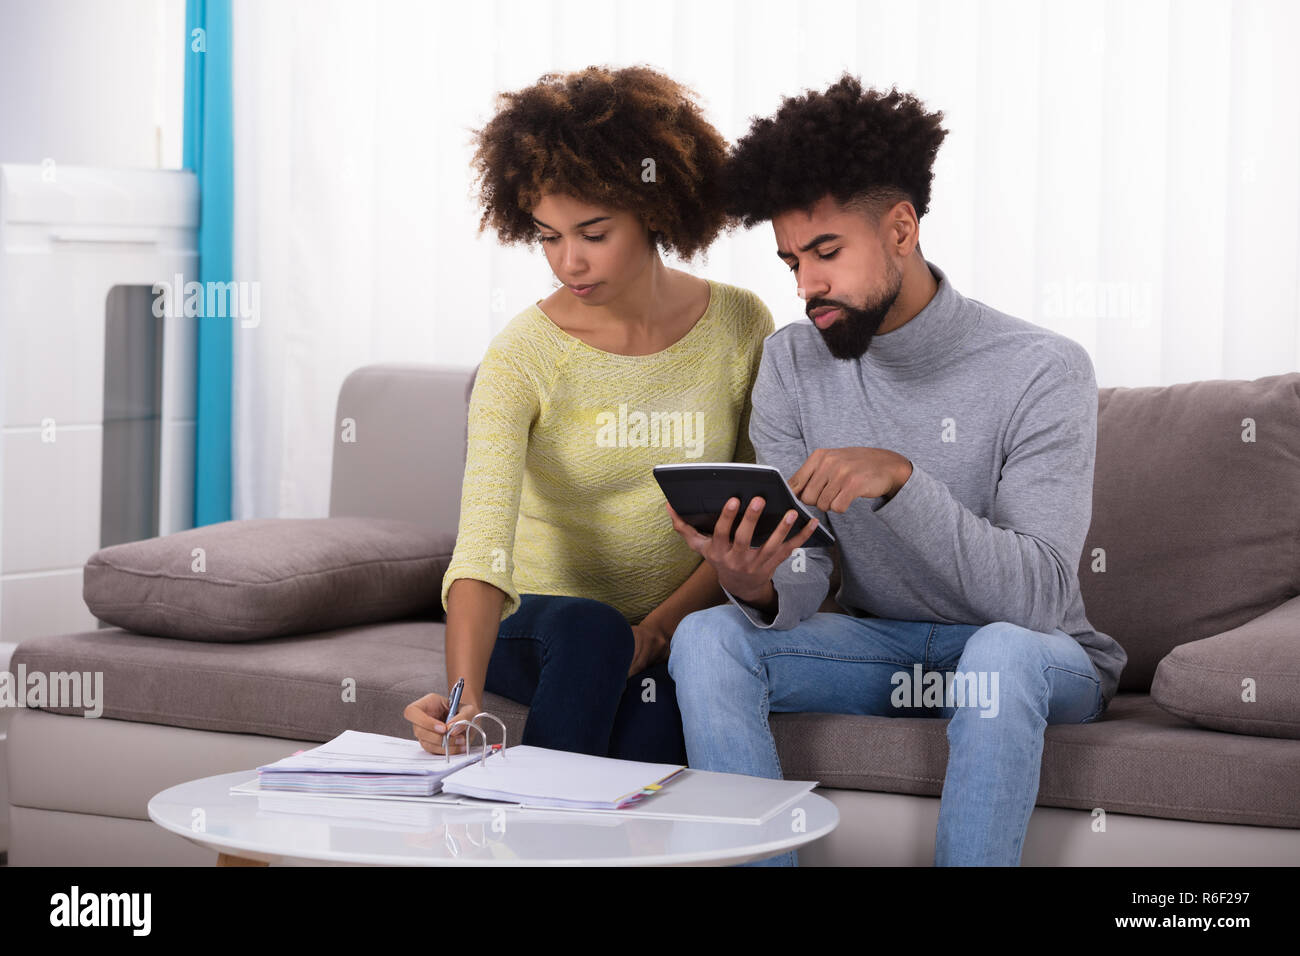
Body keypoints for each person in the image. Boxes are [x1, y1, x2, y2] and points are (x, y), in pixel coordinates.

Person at [665, 74, 1128, 865]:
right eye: (791, 261)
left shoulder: (1042, 368)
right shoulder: (791, 361)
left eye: (827, 252)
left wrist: (904, 484)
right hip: (884, 651)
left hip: (1035, 655)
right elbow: (809, 566)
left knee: (1001, 650)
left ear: (902, 228)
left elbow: (1038, 597)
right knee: (709, 637)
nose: (807, 285)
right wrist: (757, 580)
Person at [404, 65, 775, 765]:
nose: (568, 262)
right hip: (539, 624)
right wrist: (463, 702)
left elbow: (747, 519)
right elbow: (483, 550)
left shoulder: (740, 325)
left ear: (656, 209)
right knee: (592, 630)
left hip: (676, 619)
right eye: (547, 236)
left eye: (593, 233)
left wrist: (660, 630)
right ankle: (538, 829)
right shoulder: (523, 354)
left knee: (652, 717)